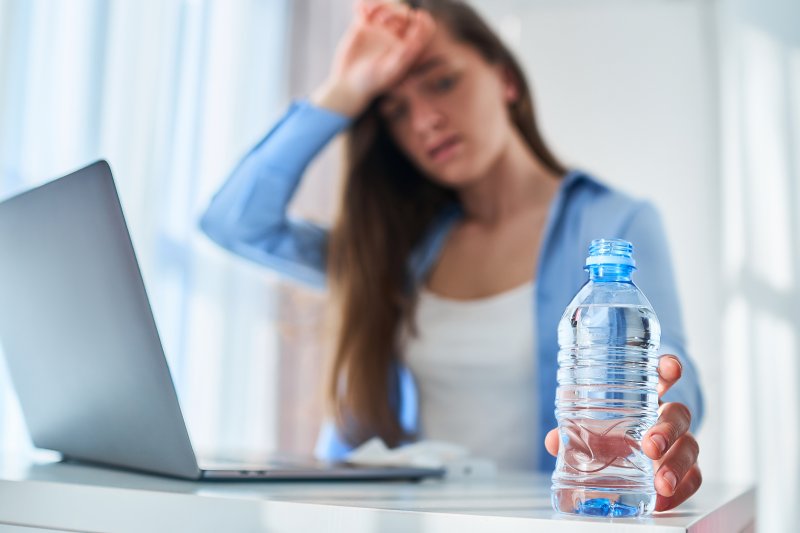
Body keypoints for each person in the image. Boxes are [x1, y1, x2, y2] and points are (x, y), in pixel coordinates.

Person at [200, 0, 703, 511]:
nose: (423, 121)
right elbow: (235, 223)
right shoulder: (401, 248)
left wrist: (660, 423)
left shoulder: (612, 225)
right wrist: (344, 90)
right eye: (395, 109)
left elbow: (672, 370)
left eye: (441, 82)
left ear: (505, 79)